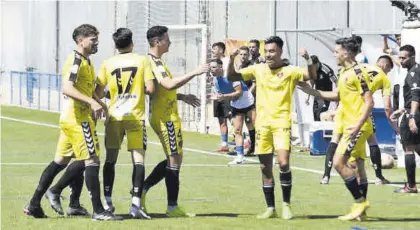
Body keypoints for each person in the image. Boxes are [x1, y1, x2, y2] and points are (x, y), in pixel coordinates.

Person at [24, 24, 122, 221]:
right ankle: (98, 211)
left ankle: (34, 203)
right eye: (93, 40)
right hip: (78, 120)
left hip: (72, 119)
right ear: (81, 40)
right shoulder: (75, 60)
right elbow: (67, 88)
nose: (96, 44)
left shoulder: (86, 61)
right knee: (92, 159)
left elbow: (89, 90)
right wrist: (90, 103)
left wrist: (101, 104)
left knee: (61, 161)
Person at [227, 36, 317, 220]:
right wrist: (230, 59)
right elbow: (232, 76)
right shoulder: (258, 69)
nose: (268, 54)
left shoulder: (290, 71)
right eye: (266, 51)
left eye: (272, 51)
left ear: (280, 52)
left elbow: (311, 76)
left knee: (283, 163)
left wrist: (308, 59)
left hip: (282, 123)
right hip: (262, 125)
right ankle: (270, 208)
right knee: (265, 167)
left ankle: (286, 205)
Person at [298, 37, 373, 221]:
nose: (334, 54)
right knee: (354, 166)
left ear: (346, 53)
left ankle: (360, 202)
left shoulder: (358, 72)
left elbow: (369, 102)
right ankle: (360, 209)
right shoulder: (344, 73)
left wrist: (357, 126)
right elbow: (338, 95)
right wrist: (312, 92)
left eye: (336, 51)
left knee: (339, 163)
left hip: (357, 126)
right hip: (350, 126)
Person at [140, 25, 209, 217]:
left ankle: (145, 190)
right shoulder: (155, 62)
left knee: (176, 158)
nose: (170, 42)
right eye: (167, 39)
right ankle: (171, 206)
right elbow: (168, 84)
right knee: (174, 159)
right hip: (165, 118)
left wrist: (181, 97)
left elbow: (161, 91)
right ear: (157, 42)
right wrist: (195, 72)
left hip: (166, 114)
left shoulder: (155, 61)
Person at [94, 28, 155, 219]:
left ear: (115, 45)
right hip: (135, 117)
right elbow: (151, 88)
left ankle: (108, 202)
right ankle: (135, 205)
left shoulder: (107, 63)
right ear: (132, 43)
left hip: (114, 116)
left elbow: (97, 92)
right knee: (138, 160)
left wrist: (111, 96)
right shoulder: (142, 60)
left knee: (110, 159)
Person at [316, 55, 396, 185]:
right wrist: (395, 126)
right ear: (385, 66)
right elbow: (387, 106)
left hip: (343, 108)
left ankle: (325, 176)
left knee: (335, 139)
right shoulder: (383, 78)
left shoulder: (359, 68)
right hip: (359, 110)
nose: (387, 73)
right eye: (389, 70)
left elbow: (340, 91)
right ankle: (379, 177)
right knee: (372, 140)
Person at [209, 58, 255, 164]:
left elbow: (238, 92)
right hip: (235, 104)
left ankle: (267, 154)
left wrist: (223, 96)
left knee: (254, 127)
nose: (212, 70)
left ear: (221, 67)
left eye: (214, 67)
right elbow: (223, 95)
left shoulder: (230, 76)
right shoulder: (215, 80)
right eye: (211, 67)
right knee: (237, 130)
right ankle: (240, 157)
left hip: (247, 101)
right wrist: (218, 97)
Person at [392, 45, 420, 193]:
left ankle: (411, 186)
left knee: (408, 149)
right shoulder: (414, 71)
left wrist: (412, 117)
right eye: (400, 57)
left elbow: (416, 97)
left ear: (412, 57)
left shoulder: (414, 73)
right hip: (411, 111)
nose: (401, 60)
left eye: (404, 58)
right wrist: (401, 110)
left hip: (413, 114)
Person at [236, 46, 256, 155]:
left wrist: (248, 94)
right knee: (239, 124)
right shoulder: (239, 66)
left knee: (251, 123)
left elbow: (255, 83)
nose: (243, 56)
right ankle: (240, 146)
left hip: (250, 99)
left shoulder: (251, 67)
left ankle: (253, 147)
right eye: (241, 54)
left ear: (248, 55)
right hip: (240, 100)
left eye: (245, 54)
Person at [211, 42, 231, 152]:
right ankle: (224, 144)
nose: (213, 51)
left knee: (234, 121)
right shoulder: (212, 63)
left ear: (221, 50)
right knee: (221, 120)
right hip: (217, 96)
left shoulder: (228, 61)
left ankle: (245, 142)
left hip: (228, 95)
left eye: (215, 49)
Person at [310, 55, 337, 121]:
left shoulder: (326, 69)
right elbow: (312, 82)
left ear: (317, 64)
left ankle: (321, 129)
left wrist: (337, 96)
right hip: (317, 94)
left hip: (326, 95)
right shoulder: (312, 69)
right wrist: (308, 97)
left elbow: (336, 81)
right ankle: (318, 129)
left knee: (321, 112)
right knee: (315, 112)